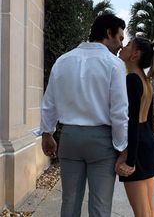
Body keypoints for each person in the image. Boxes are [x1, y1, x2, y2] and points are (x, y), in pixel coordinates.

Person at [39, 14, 134, 217]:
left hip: (70, 138)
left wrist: (47, 133)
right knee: (100, 206)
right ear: (109, 33)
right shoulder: (113, 64)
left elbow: (49, 102)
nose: (121, 45)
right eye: (120, 38)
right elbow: (119, 112)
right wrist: (122, 147)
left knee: (69, 201)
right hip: (101, 141)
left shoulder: (63, 60)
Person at [115, 37, 154, 217]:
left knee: (142, 212)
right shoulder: (145, 80)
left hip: (138, 146)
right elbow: (147, 121)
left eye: (127, 45)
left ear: (135, 55)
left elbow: (132, 122)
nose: (123, 47)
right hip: (147, 142)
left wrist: (130, 160)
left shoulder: (132, 80)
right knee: (149, 208)